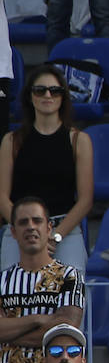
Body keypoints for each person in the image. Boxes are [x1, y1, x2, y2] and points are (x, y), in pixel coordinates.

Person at [0, 199, 85, 363]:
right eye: (23, 222)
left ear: (49, 228)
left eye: (37, 221)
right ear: (13, 232)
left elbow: (65, 330)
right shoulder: (2, 281)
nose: (31, 227)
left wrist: (11, 330)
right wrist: (37, 319)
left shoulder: (70, 277)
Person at [0, 69, 93, 273]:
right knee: (12, 298)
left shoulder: (79, 141)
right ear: (30, 96)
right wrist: (24, 228)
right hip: (19, 230)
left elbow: (85, 200)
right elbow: (2, 196)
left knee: (71, 298)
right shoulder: (11, 141)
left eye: (54, 91)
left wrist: (55, 236)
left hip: (64, 232)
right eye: (40, 90)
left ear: (63, 97)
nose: (47, 96)